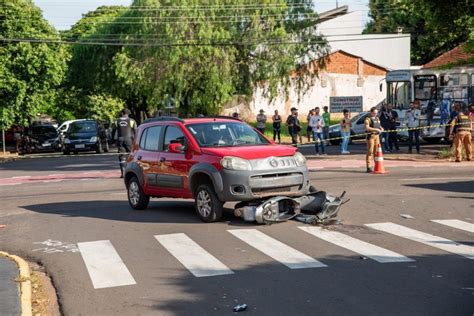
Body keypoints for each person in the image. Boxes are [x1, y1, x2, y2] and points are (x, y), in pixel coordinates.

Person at [113, 108, 137, 178]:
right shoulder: (132, 121)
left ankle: (123, 172)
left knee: (122, 156)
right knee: (131, 155)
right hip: (129, 140)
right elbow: (136, 131)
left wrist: (112, 140)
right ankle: (131, 172)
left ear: (122, 113)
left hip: (120, 140)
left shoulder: (117, 121)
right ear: (128, 113)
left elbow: (113, 131)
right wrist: (136, 140)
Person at [365, 106, 384, 173]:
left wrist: (381, 129)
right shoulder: (368, 119)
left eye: (376, 113)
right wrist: (375, 129)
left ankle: (377, 165)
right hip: (371, 136)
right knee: (370, 151)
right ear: (371, 112)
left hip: (377, 136)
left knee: (376, 152)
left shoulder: (377, 118)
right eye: (374, 113)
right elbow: (367, 128)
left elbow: (379, 126)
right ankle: (368, 167)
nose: (375, 114)